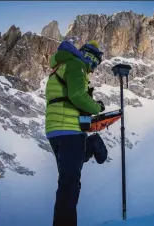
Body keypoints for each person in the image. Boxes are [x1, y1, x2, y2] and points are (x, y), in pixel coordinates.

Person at [45, 40, 105, 226]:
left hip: (56, 130)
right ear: (87, 56)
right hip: (70, 130)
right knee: (69, 185)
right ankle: (92, 144)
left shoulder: (62, 65)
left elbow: (68, 96)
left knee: (67, 182)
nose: (93, 68)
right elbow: (77, 96)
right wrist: (96, 107)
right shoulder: (76, 65)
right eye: (94, 63)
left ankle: (91, 145)